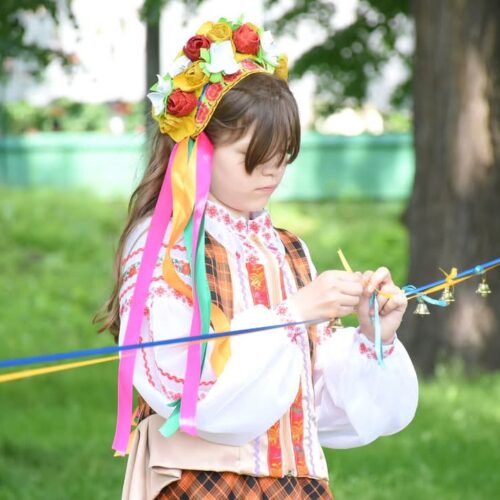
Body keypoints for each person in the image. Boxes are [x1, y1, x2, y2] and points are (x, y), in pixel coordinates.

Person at [95, 17, 418, 500]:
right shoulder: (164, 246)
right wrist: (293, 315)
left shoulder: (289, 250)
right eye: (253, 156)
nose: (271, 173)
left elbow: (311, 401)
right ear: (200, 148)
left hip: (294, 486)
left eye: (283, 157)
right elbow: (185, 391)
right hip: (199, 484)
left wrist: (374, 337)